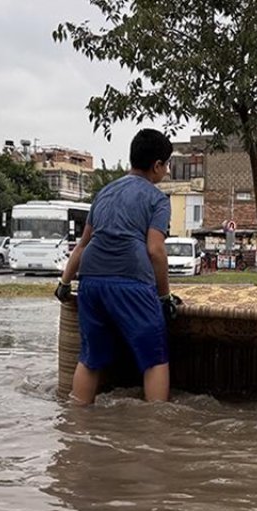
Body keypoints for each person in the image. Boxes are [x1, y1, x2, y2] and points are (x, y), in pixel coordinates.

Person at [56, 129, 178, 405]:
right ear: (157, 166)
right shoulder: (157, 199)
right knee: (154, 358)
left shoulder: (104, 193)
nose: (167, 172)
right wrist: (164, 296)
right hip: (131, 280)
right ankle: (156, 430)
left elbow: (83, 244)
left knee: (89, 358)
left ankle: (75, 424)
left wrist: (64, 282)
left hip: (91, 281)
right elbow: (155, 250)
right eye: (167, 165)